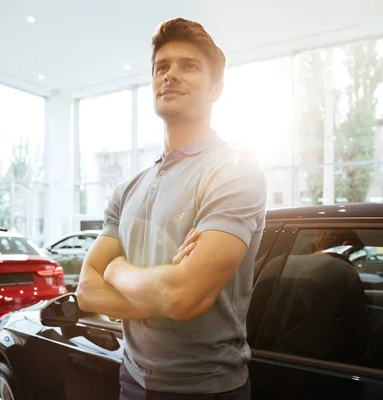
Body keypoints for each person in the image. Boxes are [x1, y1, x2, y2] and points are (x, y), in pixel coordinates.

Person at [76, 17, 267, 399]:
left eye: (189, 66)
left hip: (206, 388)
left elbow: (185, 297)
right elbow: (86, 292)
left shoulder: (234, 172)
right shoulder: (127, 189)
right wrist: (161, 291)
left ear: (216, 89)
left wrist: (117, 269)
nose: (170, 75)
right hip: (132, 378)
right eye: (162, 67)